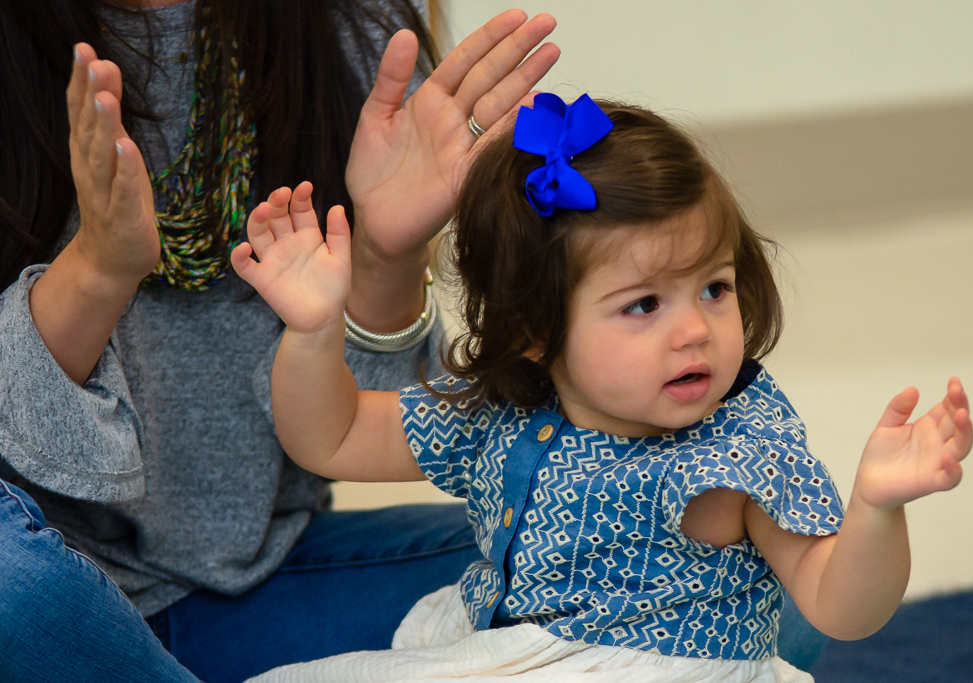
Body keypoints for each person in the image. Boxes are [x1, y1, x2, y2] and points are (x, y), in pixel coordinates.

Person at [231, 93, 973, 682]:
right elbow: (329, 435)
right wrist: (313, 331)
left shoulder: (733, 454)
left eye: (714, 288)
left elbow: (838, 606)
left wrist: (878, 507)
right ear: (536, 329)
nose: (695, 330)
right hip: (510, 656)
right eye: (645, 304)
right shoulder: (505, 413)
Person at [0, 1, 560, 681]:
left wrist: (385, 255)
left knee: (587, 549)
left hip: (270, 577)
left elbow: (355, 431)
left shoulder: (348, 29)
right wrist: (98, 266)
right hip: (40, 575)